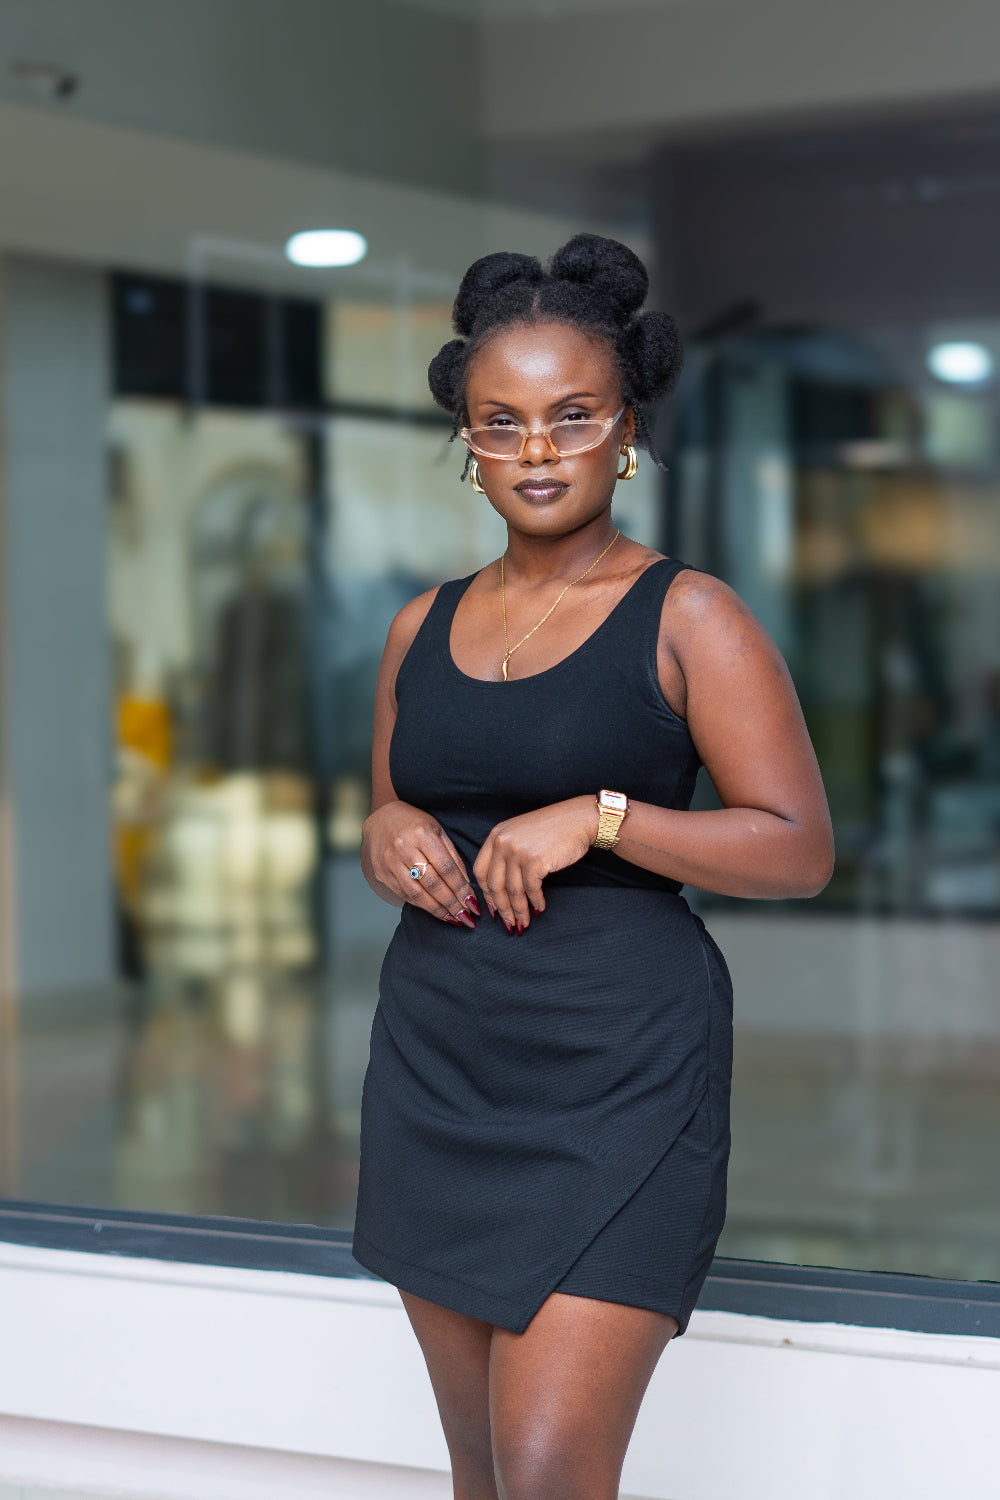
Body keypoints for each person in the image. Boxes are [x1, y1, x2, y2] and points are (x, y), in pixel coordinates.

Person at [354, 233, 834, 1500]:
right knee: (479, 1469)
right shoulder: (421, 622)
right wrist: (382, 833)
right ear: (467, 441)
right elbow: (395, 807)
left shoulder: (691, 616)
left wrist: (603, 817)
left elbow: (798, 848)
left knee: (549, 1465)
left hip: (621, 1072)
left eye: (571, 416)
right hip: (440, 1063)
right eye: (500, 422)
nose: (537, 450)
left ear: (624, 428)